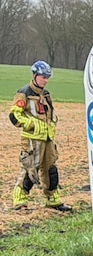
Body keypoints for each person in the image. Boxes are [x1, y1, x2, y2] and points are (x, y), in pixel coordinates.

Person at [9, 60, 70, 212]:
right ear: (35, 75)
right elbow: (14, 116)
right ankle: (20, 200)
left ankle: (53, 200)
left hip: (47, 138)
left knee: (50, 169)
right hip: (31, 139)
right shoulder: (24, 93)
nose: (46, 80)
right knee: (31, 169)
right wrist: (31, 124)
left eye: (47, 77)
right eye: (43, 77)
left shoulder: (46, 94)